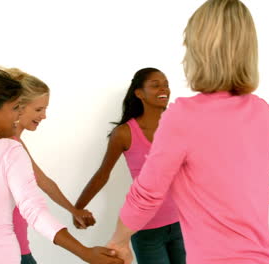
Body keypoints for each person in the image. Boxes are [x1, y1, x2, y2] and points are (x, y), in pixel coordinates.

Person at [106, 1, 269, 263]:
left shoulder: (182, 116)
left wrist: (119, 240)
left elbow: (147, 193)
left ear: (198, 51)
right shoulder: (261, 112)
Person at [0, 69, 122, 264]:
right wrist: (85, 253)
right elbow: (34, 211)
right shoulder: (10, 151)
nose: (20, 112)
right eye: (15, 108)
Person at [74, 67, 186, 264]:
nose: (164, 89)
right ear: (139, 93)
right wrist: (78, 208)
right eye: (156, 85)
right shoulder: (125, 133)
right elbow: (103, 174)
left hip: (182, 223)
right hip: (145, 228)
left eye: (166, 85)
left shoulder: (179, 124)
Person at [0, 66, 96, 263]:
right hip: (10, 251)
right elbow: (42, 185)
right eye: (39, 109)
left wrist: (74, 210)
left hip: (16, 247)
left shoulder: (13, 142)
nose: (44, 115)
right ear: (19, 107)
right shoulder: (8, 143)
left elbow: (44, 182)